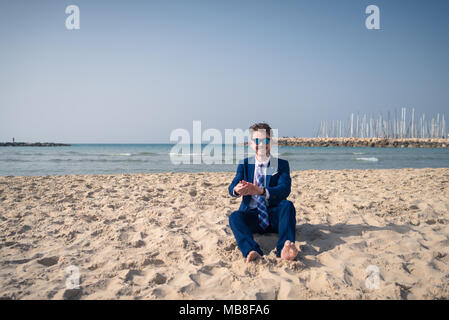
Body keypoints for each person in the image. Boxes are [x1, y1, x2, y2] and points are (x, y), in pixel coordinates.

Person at [228, 122, 299, 263]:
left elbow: (284, 190)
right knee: (234, 217)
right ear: (251, 143)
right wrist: (236, 190)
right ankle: (252, 251)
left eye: (265, 140)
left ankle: (284, 250)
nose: (261, 144)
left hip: (274, 216)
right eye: (257, 140)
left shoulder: (281, 164)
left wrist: (260, 191)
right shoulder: (244, 164)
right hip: (253, 216)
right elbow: (232, 187)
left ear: (271, 142)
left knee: (287, 205)